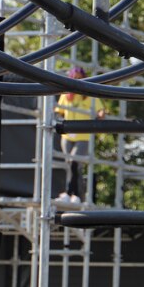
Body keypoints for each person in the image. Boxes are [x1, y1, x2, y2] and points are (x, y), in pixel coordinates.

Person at [55, 66, 105, 204]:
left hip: (83, 136)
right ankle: (74, 195)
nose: (77, 79)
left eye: (79, 77)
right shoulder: (66, 95)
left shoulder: (88, 94)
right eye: (74, 77)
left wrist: (100, 114)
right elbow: (59, 110)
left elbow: (101, 110)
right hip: (67, 135)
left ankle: (72, 193)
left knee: (74, 162)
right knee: (71, 165)